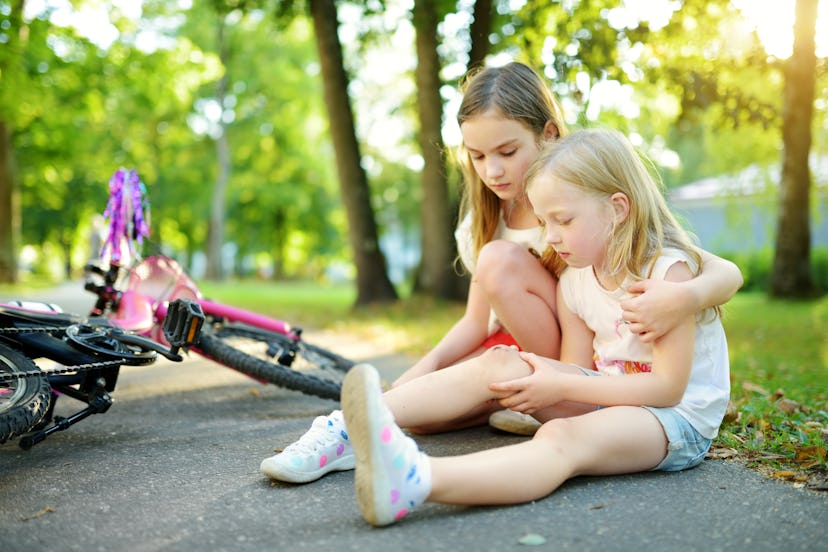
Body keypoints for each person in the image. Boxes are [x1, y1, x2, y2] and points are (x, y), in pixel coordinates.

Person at [259, 62, 741, 483]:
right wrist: (410, 379)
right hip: (560, 364)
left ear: (548, 135)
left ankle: (412, 440)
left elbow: (716, 271)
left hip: (582, 374)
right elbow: (475, 323)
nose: (492, 170)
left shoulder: (591, 205)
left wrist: (687, 297)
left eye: (507, 152)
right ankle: (350, 427)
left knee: (523, 397)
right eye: (478, 155)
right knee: (429, 410)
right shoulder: (494, 225)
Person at [340, 128, 731, 526]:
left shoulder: (666, 276)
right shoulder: (575, 280)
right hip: (613, 397)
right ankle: (356, 424)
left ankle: (412, 482)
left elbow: (666, 389)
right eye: (545, 222)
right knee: (502, 363)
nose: (552, 237)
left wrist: (558, 387)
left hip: (674, 420)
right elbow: (575, 367)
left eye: (563, 220)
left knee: (561, 438)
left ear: (617, 209)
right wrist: (542, 378)